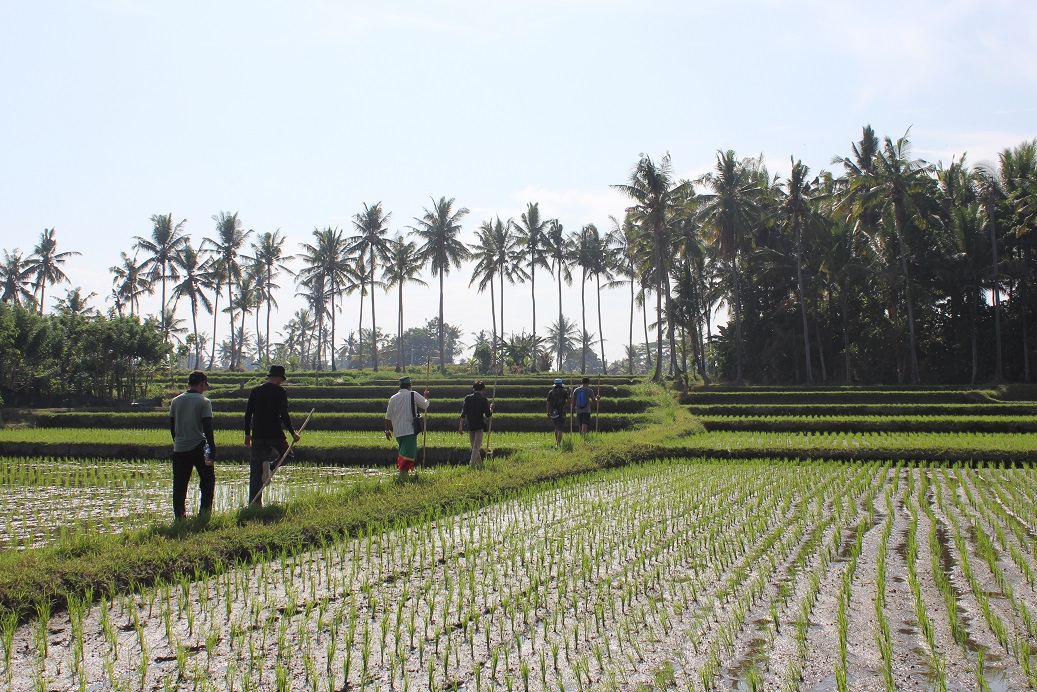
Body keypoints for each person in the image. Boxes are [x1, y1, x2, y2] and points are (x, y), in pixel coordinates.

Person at [244, 364, 299, 506]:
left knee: (255, 470)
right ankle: (270, 466)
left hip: (258, 435)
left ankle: (254, 504)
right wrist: (293, 432)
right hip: (275, 434)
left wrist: (247, 434)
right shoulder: (281, 392)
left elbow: (248, 413)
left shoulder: (256, 391)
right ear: (280, 378)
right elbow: (284, 414)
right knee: (288, 455)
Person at [169, 370, 217, 519]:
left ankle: (179, 516)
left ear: (189, 384)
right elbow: (207, 427)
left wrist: (178, 441)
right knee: (208, 479)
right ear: (202, 384)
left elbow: (172, 426)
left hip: (179, 448)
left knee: (180, 484)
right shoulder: (204, 401)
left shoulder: (175, 401)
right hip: (198, 446)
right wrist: (212, 449)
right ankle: (204, 513)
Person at [385, 376, 430, 477]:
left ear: (400, 386)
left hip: (398, 431)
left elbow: (388, 416)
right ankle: (403, 475)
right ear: (410, 385)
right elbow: (425, 405)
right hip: (409, 429)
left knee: (403, 452)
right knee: (408, 454)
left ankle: (404, 475)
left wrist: (387, 430)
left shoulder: (393, 398)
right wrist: (426, 397)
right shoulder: (413, 394)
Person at [458, 381, 494, 464]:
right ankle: (472, 463)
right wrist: (491, 408)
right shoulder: (483, 399)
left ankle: (480, 464)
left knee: (474, 446)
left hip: (470, 425)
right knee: (476, 447)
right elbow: (488, 415)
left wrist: (460, 426)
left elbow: (463, 413)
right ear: (482, 390)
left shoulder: (467, 398)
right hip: (479, 426)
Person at [546, 378, 570, 447]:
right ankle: (558, 444)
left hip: (553, 412)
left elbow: (548, 403)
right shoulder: (564, 391)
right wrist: (571, 392)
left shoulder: (551, 392)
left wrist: (548, 412)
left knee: (556, 427)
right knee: (560, 429)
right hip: (562, 411)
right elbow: (570, 400)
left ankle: (557, 442)